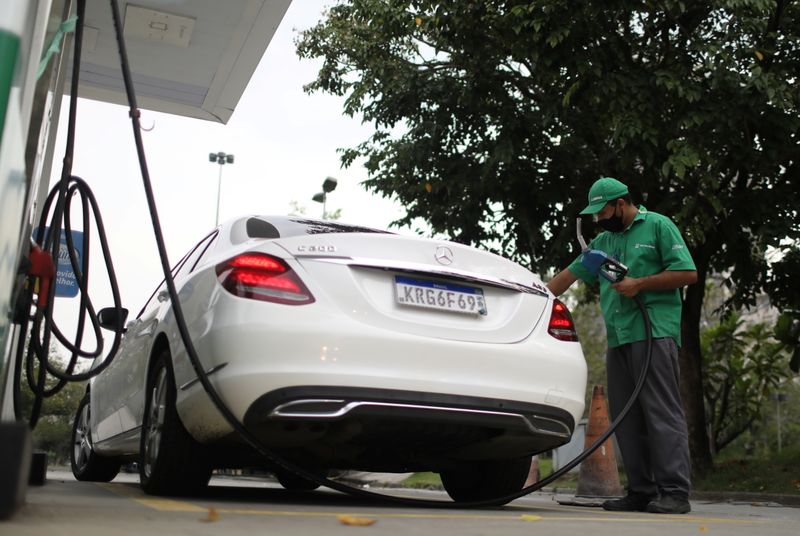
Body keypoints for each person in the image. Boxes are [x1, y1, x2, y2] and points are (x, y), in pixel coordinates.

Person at [547, 177, 697, 514]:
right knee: (627, 417)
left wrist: (640, 283)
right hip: (620, 337)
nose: (599, 219)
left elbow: (688, 273)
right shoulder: (603, 241)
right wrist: (532, 296)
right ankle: (641, 491)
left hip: (655, 332)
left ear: (621, 203)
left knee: (661, 412)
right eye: (595, 216)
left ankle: (674, 491)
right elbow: (565, 278)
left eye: (602, 212)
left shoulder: (658, 225)